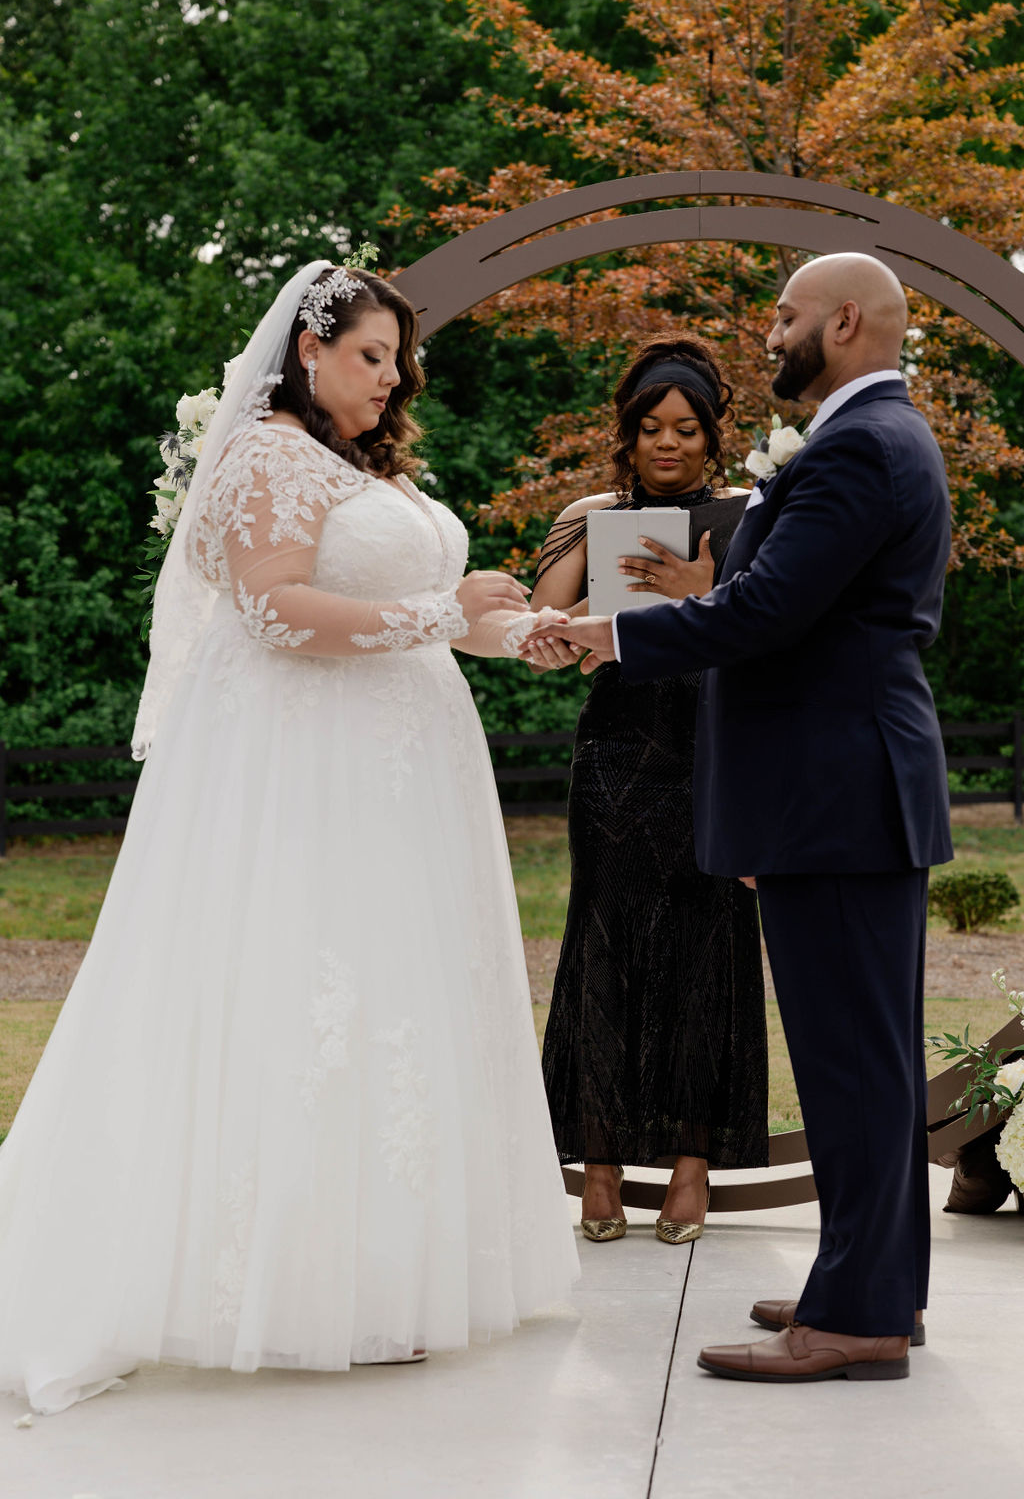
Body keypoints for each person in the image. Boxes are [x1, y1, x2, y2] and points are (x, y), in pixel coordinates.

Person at [0, 260, 579, 1415]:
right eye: (372, 355)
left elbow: (419, 616)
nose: (392, 378)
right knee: (315, 989)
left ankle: (383, 1277)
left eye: (397, 360)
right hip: (313, 776)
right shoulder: (266, 455)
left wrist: (517, 637)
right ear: (308, 350)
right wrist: (442, 613)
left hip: (399, 775)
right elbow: (273, 611)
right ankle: (305, 1287)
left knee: (395, 1001)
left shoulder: (351, 467)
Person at [524, 253, 952, 1383]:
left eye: (785, 315)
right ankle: (867, 1289)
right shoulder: (867, 439)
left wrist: (598, 633)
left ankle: (859, 1316)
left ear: (844, 321)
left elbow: (759, 614)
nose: (769, 332)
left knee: (854, 1066)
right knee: (865, 1062)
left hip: (839, 799)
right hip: (838, 797)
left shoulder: (861, 445)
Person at [526, 337, 768, 1244]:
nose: (669, 443)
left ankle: (692, 1169)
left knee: (710, 950)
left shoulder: (751, 515)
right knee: (604, 946)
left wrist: (707, 597)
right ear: (625, 435)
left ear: (712, 437)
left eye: (688, 429)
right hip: (617, 756)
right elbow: (537, 633)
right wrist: (583, 561)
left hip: (715, 751)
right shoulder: (591, 510)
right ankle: (598, 1169)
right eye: (650, 428)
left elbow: (773, 647)